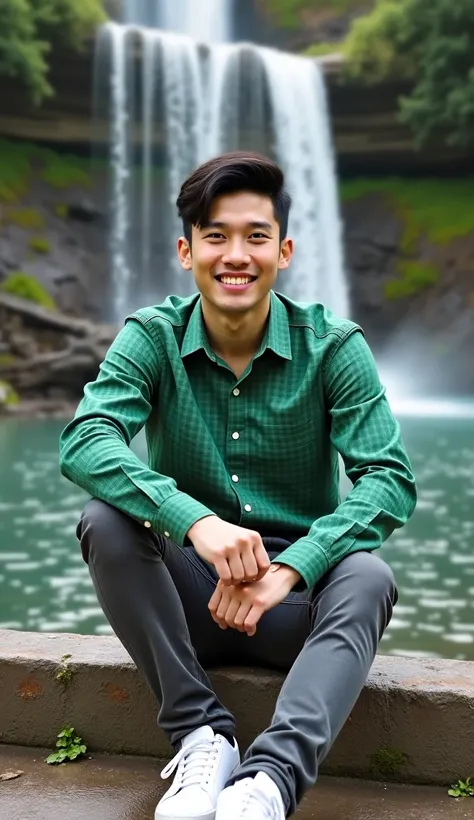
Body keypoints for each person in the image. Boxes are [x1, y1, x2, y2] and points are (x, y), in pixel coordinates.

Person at [59, 151, 417, 820]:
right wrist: (194, 521)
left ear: (283, 251)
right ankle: (202, 736)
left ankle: (270, 781)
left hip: (293, 609)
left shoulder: (333, 346)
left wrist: (292, 566)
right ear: (185, 248)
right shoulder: (152, 335)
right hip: (188, 597)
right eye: (216, 236)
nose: (235, 255)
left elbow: (389, 480)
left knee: (367, 577)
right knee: (103, 519)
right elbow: (86, 439)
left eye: (255, 237)